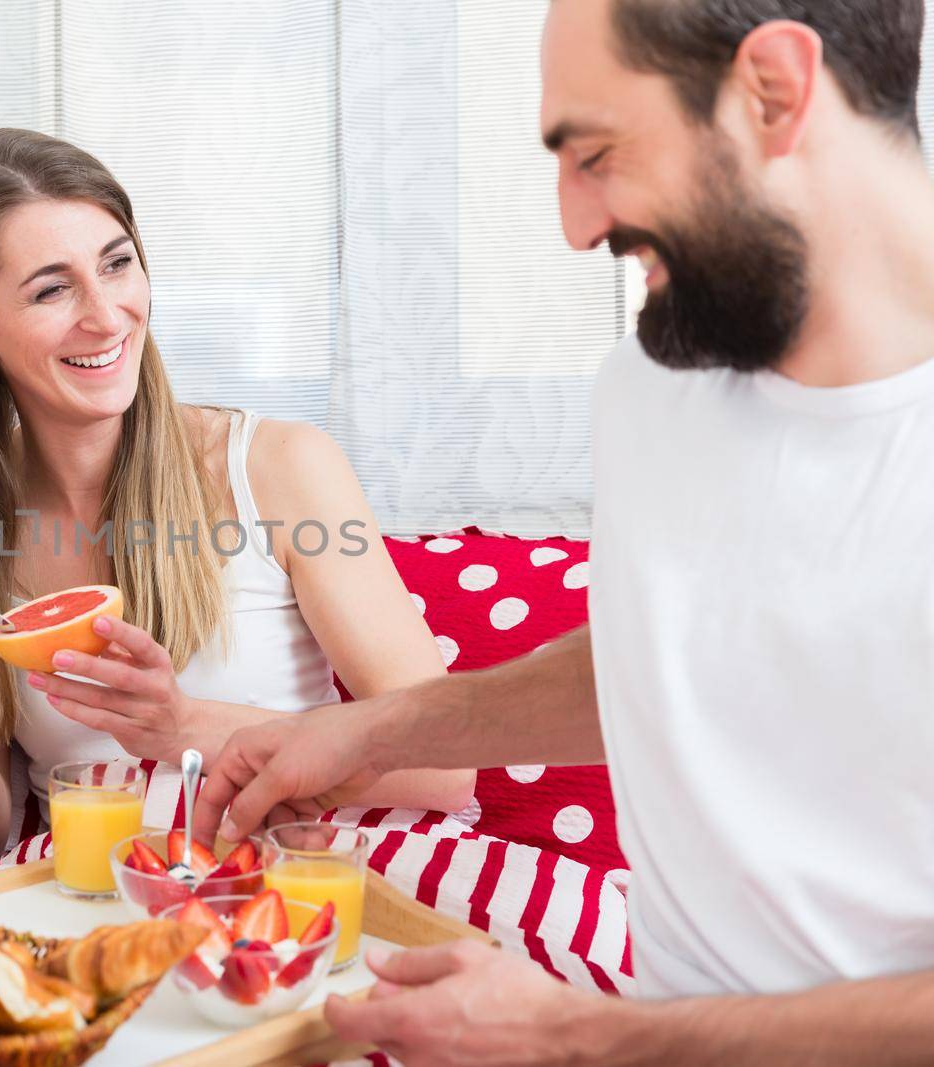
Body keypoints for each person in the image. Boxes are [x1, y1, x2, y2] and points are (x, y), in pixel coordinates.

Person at [195, 0, 934, 1062]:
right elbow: (671, 659)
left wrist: (593, 1033)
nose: (575, 224)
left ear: (773, 89)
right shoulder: (654, 388)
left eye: (595, 154)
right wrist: (372, 731)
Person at [0, 129, 475, 863]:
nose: (106, 314)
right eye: (53, 289)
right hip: (86, 892)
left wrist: (184, 723)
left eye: (117, 264)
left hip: (284, 878)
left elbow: (446, 766)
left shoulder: (279, 467)